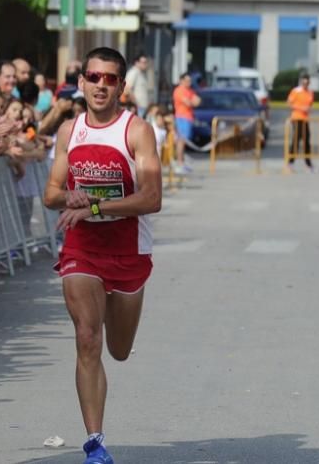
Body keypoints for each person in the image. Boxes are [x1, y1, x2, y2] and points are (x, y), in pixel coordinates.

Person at [44, 47, 162, 464]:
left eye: (110, 79)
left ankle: (118, 313)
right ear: (82, 82)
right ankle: (95, 442)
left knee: (119, 349)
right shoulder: (69, 132)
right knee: (87, 338)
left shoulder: (137, 131)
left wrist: (94, 206)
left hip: (129, 252)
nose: (100, 85)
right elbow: (51, 194)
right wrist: (70, 196)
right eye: (93, 77)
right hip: (83, 249)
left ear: (121, 87)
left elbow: (151, 198)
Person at [172, 73, 201, 174]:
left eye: (190, 81)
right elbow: (189, 102)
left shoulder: (189, 91)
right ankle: (179, 164)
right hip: (181, 118)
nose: (189, 83)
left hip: (188, 118)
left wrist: (192, 101)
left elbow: (198, 101)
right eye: (187, 81)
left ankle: (182, 163)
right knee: (181, 141)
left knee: (184, 142)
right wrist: (192, 102)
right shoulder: (179, 90)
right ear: (181, 81)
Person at [287, 73, 315, 171]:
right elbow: (289, 103)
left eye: (307, 82)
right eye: (304, 81)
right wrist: (301, 108)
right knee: (296, 139)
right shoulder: (296, 91)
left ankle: (308, 164)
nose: (305, 84)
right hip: (296, 118)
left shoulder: (310, 92)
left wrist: (308, 108)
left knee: (306, 140)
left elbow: (310, 104)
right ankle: (290, 163)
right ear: (301, 81)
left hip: (305, 119)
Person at [123, 53, 151, 118]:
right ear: (136, 62)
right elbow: (127, 89)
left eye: (146, 62)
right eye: (143, 62)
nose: (145, 64)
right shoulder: (133, 72)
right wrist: (135, 104)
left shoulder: (142, 73)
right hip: (138, 108)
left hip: (143, 108)